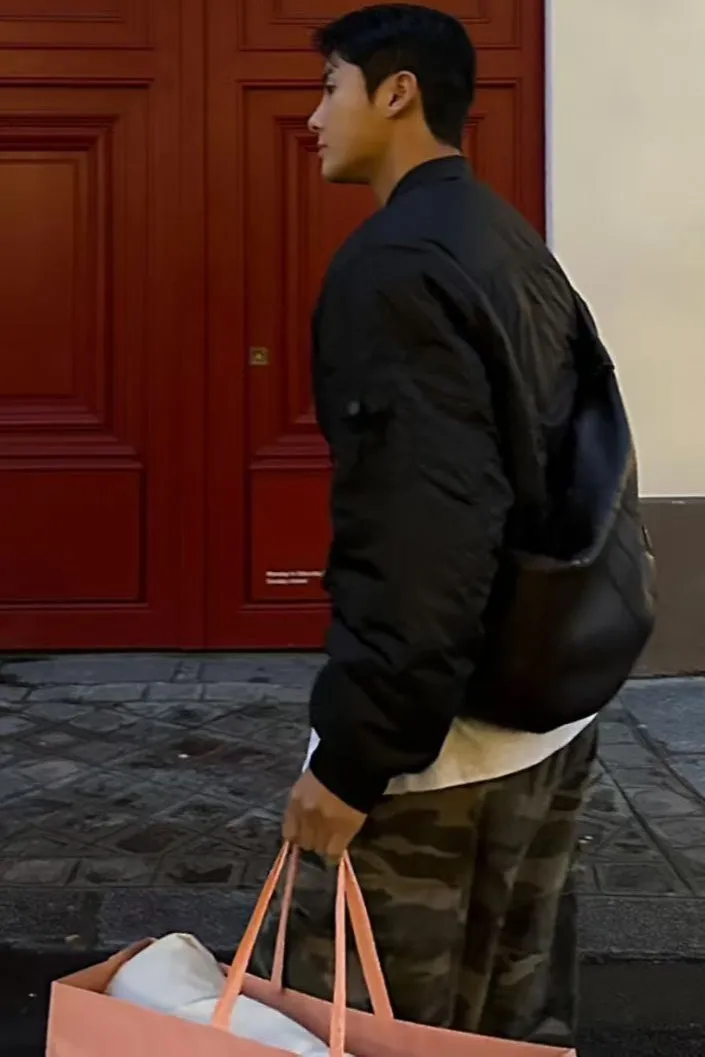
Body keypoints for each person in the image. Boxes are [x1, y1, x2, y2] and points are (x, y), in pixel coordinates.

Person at [256, 4, 601, 1049]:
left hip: (438, 753)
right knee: (508, 1027)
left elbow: (423, 531)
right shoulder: (504, 237)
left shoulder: (395, 265)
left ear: (397, 92)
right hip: (546, 715)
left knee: (367, 1028)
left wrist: (353, 760)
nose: (314, 115)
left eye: (331, 87)